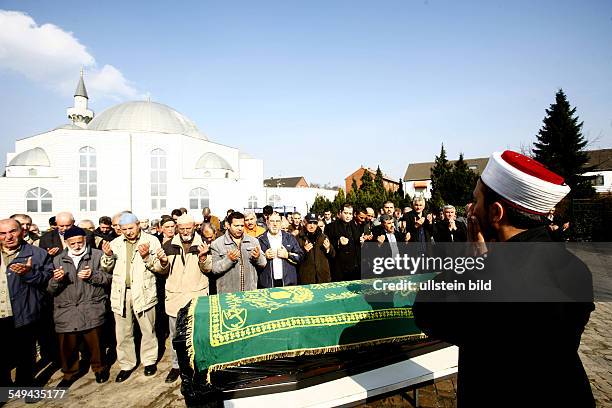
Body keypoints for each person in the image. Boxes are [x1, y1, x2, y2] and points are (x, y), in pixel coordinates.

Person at [413, 150, 595, 407]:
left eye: (476, 201)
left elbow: (425, 310)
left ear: (496, 213)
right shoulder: (576, 268)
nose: (471, 209)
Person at [100, 213, 164, 382]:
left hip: (143, 291)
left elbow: (160, 268)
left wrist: (146, 257)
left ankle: (149, 361)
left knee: (147, 329)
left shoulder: (151, 241)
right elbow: (106, 269)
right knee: (123, 332)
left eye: (131, 228)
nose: (128, 232)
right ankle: (126, 364)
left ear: (138, 225)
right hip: (122, 293)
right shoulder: (115, 244)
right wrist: (106, 256)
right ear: (119, 229)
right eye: (124, 229)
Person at [48, 227, 111, 386]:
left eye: (79, 242)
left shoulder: (97, 256)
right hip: (67, 309)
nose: (76, 246)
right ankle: (69, 373)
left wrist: (92, 276)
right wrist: (57, 280)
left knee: (96, 343)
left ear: (85, 240)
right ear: (66, 243)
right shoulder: (58, 259)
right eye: (72, 243)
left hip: (91, 306)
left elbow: (109, 279)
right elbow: (50, 289)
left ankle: (99, 368)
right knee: (67, 345)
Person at [154, 214, 211, 383]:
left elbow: (209, 268)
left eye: (189, 228)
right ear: (177, 228)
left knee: (198, 334)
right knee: (175, 335)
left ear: (194, 227)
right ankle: (176, 366)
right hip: (175, 297)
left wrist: (203, 258)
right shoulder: (168, 245)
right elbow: (161, 270)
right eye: (182, 228)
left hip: (196, 296)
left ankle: (199, 365)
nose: (186, 231)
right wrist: (163, 262)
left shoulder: (203, 244)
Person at [0, 218, 53, 387]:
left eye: (12, 231)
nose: (8, 237)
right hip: (1, 312)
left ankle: (26, 387)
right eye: (3, 233)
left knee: (25, 354)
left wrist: (29, 274)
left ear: (22, 232)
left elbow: (48, 281)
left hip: (25, 313)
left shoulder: (38, 254)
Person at [210, 212, 266, 294]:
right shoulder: (217, 244)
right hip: (227, 295)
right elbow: (215, 269)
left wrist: (258, 257)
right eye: (236, 226)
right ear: (228, 225)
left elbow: (263, 263)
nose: (240, 228)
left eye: (242, 225)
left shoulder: (253, 241)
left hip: (250, 293)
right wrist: (229, 260)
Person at [258, 212, 304, 288]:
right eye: (272, 221)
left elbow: (301, 257)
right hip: (267, 285)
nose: (275, 224)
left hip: (288, 284)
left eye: (277, 221)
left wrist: (287, 255)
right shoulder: (260, 239)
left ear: (281, 223)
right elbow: (254, 262)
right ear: (267, 222)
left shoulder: (290, 238)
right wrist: (264, 256)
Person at [324, 203, 361, 281]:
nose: (348, 216)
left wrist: (362, 241)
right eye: (345, 213)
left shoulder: (356, 227)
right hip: (338, 267)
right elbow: (327, 245)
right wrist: (338, 242)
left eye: (350, 213)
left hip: (354, 268)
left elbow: (357, 245)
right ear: (340, 213)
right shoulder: (330, 227)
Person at [296, 213, 335, 284]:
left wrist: (328, 248)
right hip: (306, 279)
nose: (312, 226)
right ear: (305, 223)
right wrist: (304, 250)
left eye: (314, 223)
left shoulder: (323, 237)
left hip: (323, 278)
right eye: (310, 223)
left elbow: (332, 255)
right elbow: (295, 258)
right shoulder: (298, 238)